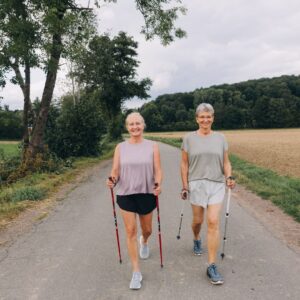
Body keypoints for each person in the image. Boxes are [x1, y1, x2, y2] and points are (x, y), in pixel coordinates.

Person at [180, 103, 235, 285]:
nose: (205, 120)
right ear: (197, 119)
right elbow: (184, 164)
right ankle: (196, 238)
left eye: (208, 116)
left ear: (213, 118)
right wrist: (185, 185)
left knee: (213, 221)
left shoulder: (220, 138)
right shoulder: (188, 138)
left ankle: (211, 265)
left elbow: (226, 162)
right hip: (196, 184)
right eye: (202, 117)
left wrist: (229, 176)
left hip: (217, 184)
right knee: (198, 221)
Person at [106, 112, 162, 290]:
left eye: (137, 123)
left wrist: (158, 184)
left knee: (147, 230)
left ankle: (144, 241)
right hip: (126, 193)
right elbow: (115, 170)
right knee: (130, 230)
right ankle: (136, 272)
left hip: (146, 192)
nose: (135, 127)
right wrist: (112, 179)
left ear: (143, 125)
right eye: (131, 124)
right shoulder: (120, 148)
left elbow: (158, 170)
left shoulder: (152, 146)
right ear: (127, 127)